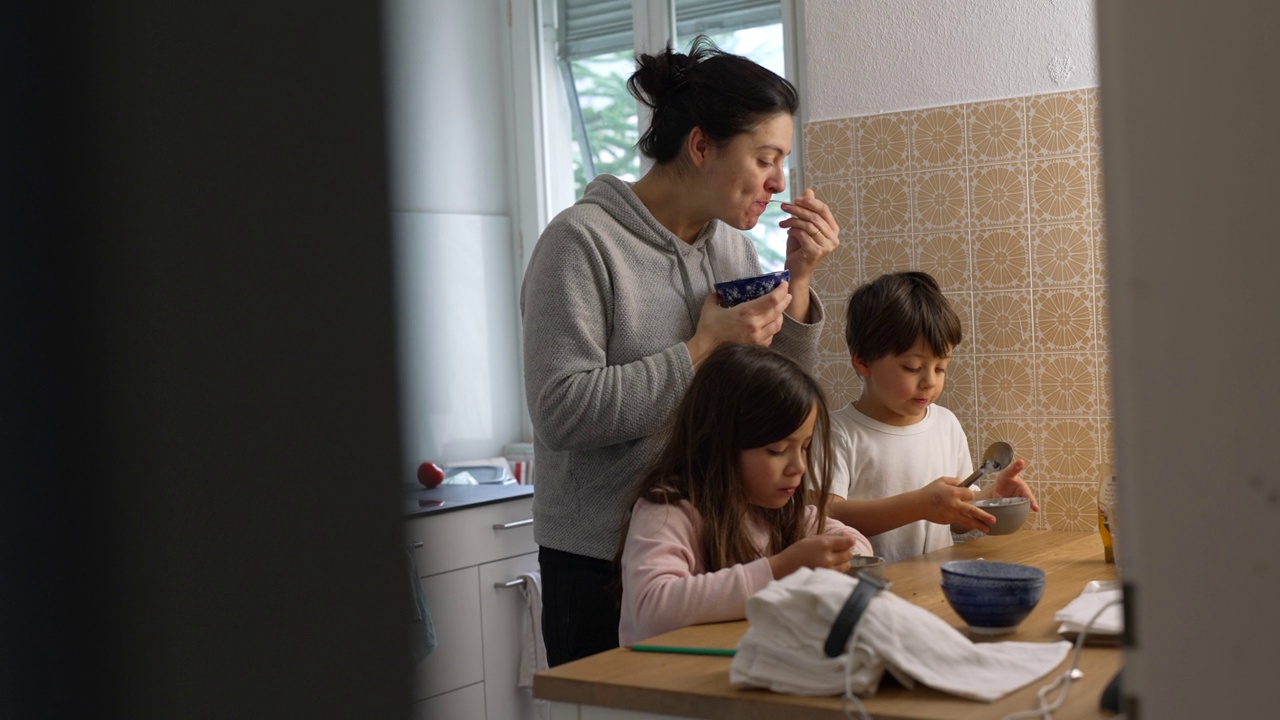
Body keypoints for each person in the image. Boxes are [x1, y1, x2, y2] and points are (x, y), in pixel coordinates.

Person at [521, 35, 842, 666]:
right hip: (597, 561)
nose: (779, 183)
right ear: (701, 146)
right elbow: (560, 413)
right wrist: (700, 347)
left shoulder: (731, 248)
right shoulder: (580, 244)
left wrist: (798, 282)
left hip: (717, 547)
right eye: (766, 159)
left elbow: (764, 406)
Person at [617, 343, 872, 646]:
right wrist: (779, 569)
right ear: (720, 444)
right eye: (777, 450)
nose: (799, 467)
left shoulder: (776, 505)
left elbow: (848, 539)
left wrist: (843, 554)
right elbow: (652, 610)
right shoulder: (667, 510)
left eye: (804, 447)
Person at [824, 271, 1039, 563]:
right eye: (912, 367)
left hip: (932, 586)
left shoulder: (945, 424)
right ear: (863, 361)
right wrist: (920, 505)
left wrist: (991, 498)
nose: (929, 381)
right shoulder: (836, 432)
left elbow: (956, 518)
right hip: (865, 588)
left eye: (940, 368)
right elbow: (827, 516)